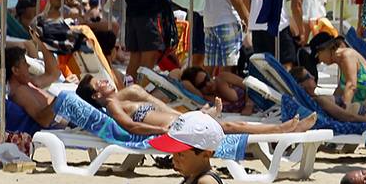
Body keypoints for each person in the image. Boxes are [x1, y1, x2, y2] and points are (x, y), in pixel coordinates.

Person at [75, 75, 314, 136]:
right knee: (232, 125)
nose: (106, 81)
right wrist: (160, 131)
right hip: (175, 131)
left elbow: (160, 106)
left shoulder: (127, 96)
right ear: (96, 95)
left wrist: (193, 114)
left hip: (179, 122)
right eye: (101, 83)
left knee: (229, 124)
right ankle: (283, 130)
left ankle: (285, 129)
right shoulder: (115, 107)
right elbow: (130, 127)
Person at [117, 0, 178, 79]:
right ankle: (141, 92)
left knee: (135, 58)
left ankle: (129, 90)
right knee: (149, 57)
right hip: (148, 14)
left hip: (131, 13)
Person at [251, 0, 305, 67]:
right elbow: (296, 4)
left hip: (256, 24)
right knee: (285, 67)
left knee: (262, 69)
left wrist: (248, 19)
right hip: (278, 23)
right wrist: (301, 31)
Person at [203, 0, 249, 75]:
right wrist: (246, 18)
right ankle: (225, 91)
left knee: (209, 67)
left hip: (209, 21)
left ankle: (206, 92)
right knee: (228, 69)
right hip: (227, 21)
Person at [182, 65, 254, 114]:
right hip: (245, 120)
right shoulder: (206, 100)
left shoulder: (222, 78)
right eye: (202, 85)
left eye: (207, 79)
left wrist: (249, 106)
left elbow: (250, 86)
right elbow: (180, 78)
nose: (208, 84)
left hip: (258, 106)